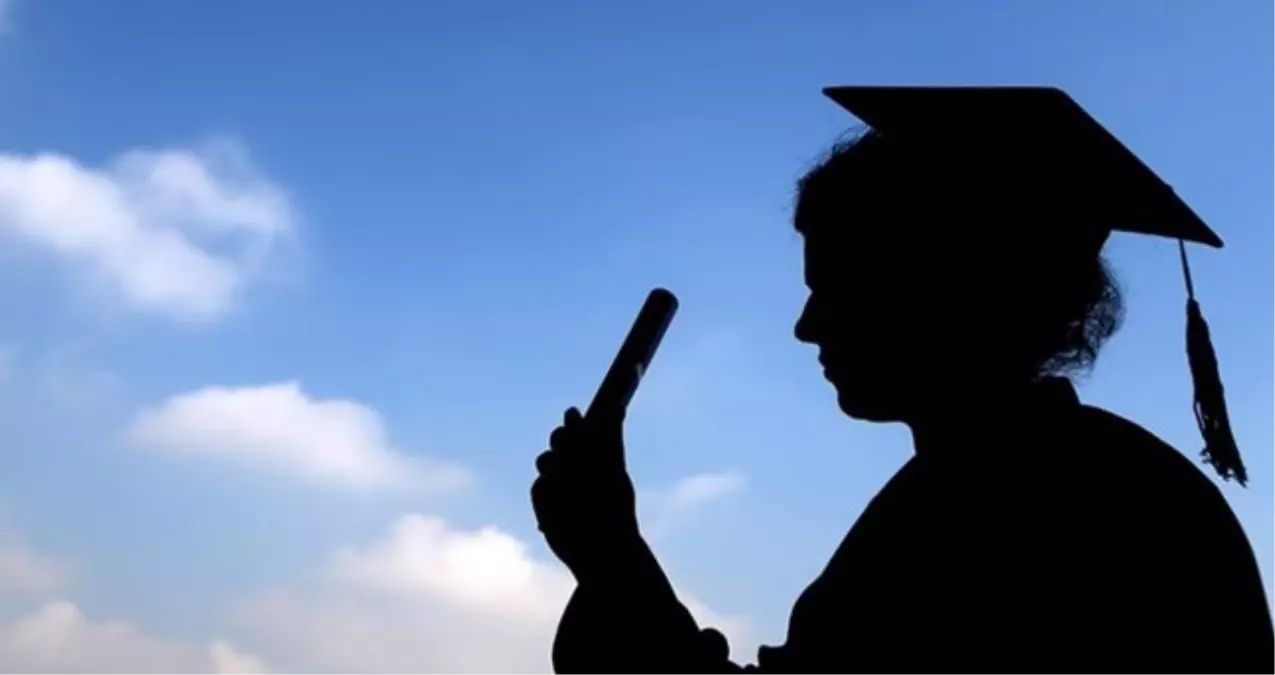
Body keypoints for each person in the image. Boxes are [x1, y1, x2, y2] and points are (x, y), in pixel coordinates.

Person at [530, 86, 1275, 672]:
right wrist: (611, 553)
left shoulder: (1002, 513)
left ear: (946, 286)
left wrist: (610, 555)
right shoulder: (1096, 479)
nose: (806, 327)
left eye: (836, 289)